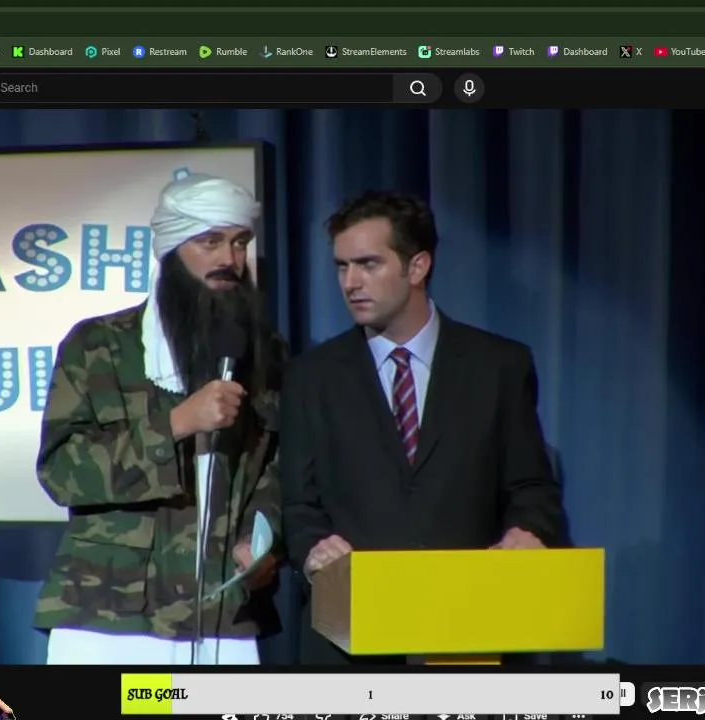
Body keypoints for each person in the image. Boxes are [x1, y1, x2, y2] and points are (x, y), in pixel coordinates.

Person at [280, 190, 566, 665]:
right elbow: (297, 503)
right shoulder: (311, 377)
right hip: (350, 643)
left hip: (467, 631)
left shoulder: (498, 366)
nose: (350, 282)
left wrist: (527, 529)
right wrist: (312, 548)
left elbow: (531, 486)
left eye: (368, 264)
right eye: (341, 267)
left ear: (417, 267)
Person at [35, 173, 286, 665]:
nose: (229, 260)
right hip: (109, 614)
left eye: (239, 243)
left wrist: (261, 540)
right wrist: (175, 424)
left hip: (223, 609)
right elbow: (62, 473)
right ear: (172, 250)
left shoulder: (265, 355)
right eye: (210, 242)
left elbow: (278, 471)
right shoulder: (100, 346)